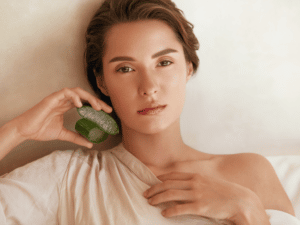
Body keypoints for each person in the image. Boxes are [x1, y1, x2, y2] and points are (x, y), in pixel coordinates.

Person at [0, 0, 298, 224]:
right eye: (125, 68)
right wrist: (17, 131)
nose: (149, 87)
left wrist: (246, 208)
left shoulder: (248, 174)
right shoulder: (69, 176)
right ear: (102, 81)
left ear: (189, 67)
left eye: (164, 62)